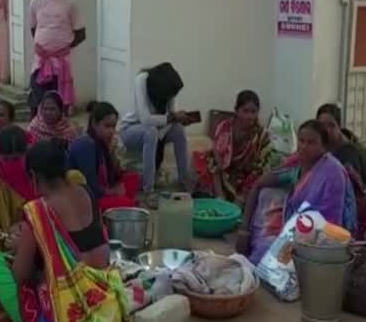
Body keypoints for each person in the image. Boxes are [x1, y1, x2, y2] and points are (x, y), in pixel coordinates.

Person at [0, 140, 128, 322]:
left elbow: (21, 275)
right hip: (104, 307)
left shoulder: (38, 211)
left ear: (34, 177)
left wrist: (22, 246)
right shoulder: (86, 193)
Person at [235, 120, 355, 264]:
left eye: (311, 142)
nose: (304, 147)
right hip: (293, 230)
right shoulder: (296, 164)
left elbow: (329, 221)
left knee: (269, 255)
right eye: (301, 141)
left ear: (324, 147)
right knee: (267, 194)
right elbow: (258, 184)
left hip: (319, 243)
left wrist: (292, 241)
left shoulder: (332, 171)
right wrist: (244, 231)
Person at [119, 63, 192, 197]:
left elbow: (172, 116)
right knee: (150, 131)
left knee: (179, 129)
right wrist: (172, 118)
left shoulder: (170, 86)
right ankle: (149, 189)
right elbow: (145, 119)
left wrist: (178, 119)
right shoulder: (141, 79)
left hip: (157, 130)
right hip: (130, 130)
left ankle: (185, 181)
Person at [28, 0, 86, 116]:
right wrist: (46, 50)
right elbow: (34, 29)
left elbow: (81, 34)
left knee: (58, 108)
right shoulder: (35, 2)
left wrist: (60, 50)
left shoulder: (71, 3)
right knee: (39, 104)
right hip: (40, 64)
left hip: (61, 66)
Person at [194, 90, 273, 206]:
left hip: (246, 178)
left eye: (253, 112)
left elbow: (260, 169)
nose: (249, 116)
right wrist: (219, 196)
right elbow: (216, 163)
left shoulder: (262, 136)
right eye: (245, 111)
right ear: (236, 111)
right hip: (222, 174)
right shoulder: (224, 128)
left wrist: (243, 196)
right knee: (204, 160)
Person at [68, 102, 142, 211]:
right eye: (107, 126)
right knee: (127, 203)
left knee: (133, 178)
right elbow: (91, 188)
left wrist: (111, 154)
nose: (112, 131)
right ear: (94, 124)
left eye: (113, 126)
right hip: (85, 199)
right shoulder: (86, 145)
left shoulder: (101, 142)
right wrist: (113, 192)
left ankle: (120, 203)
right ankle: (122, 204)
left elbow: (114, 175)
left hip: (101, 189)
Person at [316, 103, 366, 186]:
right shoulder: (326, 144)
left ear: (339, 126)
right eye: (322, 125)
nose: (326, 130)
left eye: (331, 126)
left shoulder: (348, 153)